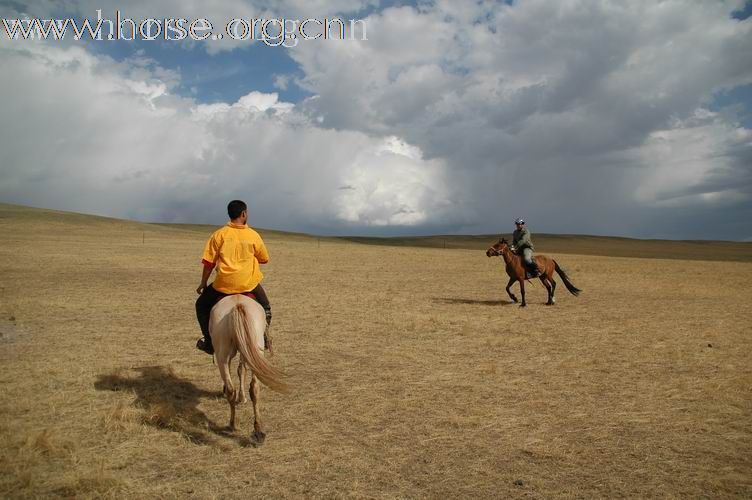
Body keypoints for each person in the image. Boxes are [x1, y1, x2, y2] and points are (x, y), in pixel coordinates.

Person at [195, 200, 272, 355]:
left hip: (223, 285)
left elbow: (209, 263)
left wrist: (203, 283)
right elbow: (264, 258)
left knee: (201, 305)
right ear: (244, 214)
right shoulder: (253, 235)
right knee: (266, 308)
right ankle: (263, 336)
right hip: (248, 284)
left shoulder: (219, 235)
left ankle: (209, 342)